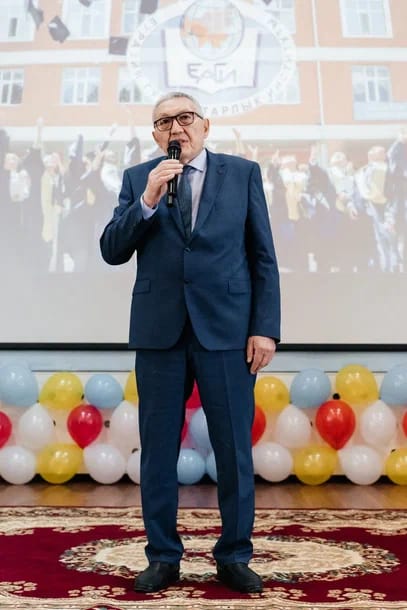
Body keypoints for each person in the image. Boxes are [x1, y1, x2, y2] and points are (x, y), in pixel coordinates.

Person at [100, 91, 281, 595]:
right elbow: (112, 250)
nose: (175, 128)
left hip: (227, 331)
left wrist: (265, 327)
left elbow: (262, 256)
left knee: (233, 449)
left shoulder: (242, 174)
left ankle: (234, 556)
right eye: (164, 122)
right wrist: (147, 201)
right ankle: (162, 557)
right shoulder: (140, 179)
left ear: (205, 125)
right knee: (158, 450)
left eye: (184, 118)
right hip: (160, 332)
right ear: (155, 135)